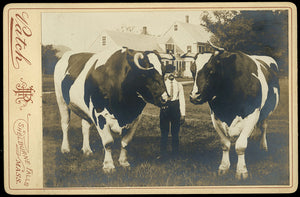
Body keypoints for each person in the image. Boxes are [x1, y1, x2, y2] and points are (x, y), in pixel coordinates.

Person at [158, 64, 186, 161]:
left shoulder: (179, 85)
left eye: (172, 72)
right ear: (165, 74)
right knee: (164, 132)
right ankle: (163, 154)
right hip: (165, 108)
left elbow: (182, 100)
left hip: (175, 109)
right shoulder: (162, 85)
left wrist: (183, 114)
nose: (171, 74)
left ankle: (175, 154)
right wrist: (162, 104)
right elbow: (158, 98)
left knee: (175, 133)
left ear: (175, 72)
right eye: (168, 72)